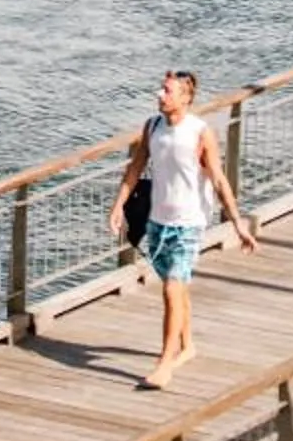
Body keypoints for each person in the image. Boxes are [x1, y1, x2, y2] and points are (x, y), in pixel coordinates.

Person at [107, 69, 257, 389]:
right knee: (177, 288)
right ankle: (187, 345)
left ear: (185, 98)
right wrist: (118, 205)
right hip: (158, 223)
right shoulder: (153, 127)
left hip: (189, 225)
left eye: (167, 91)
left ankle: (165, 364)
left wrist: (238, 224)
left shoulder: (199, 133)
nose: (160, 95)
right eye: (161, 89)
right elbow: (135, 168)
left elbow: (218, 179)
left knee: (172, 289)